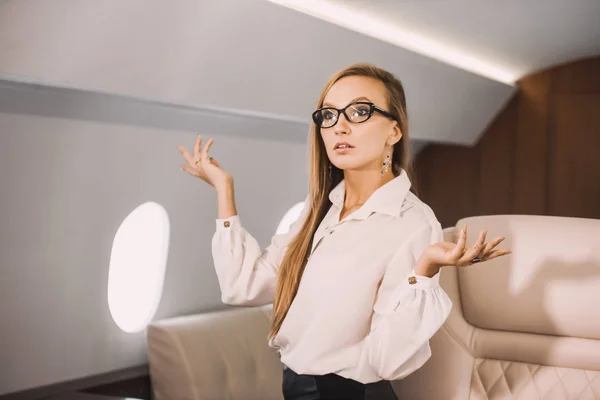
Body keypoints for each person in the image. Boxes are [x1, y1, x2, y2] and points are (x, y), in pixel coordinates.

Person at [177, 63, 510, 400]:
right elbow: (242, 286)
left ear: (394, 132)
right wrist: (224, 190)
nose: (340, 127)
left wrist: (424, 270)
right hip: (295, 386)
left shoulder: (413, 222)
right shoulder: (318, 208)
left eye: (359, 112)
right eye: (329, 116)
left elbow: (386, 358)